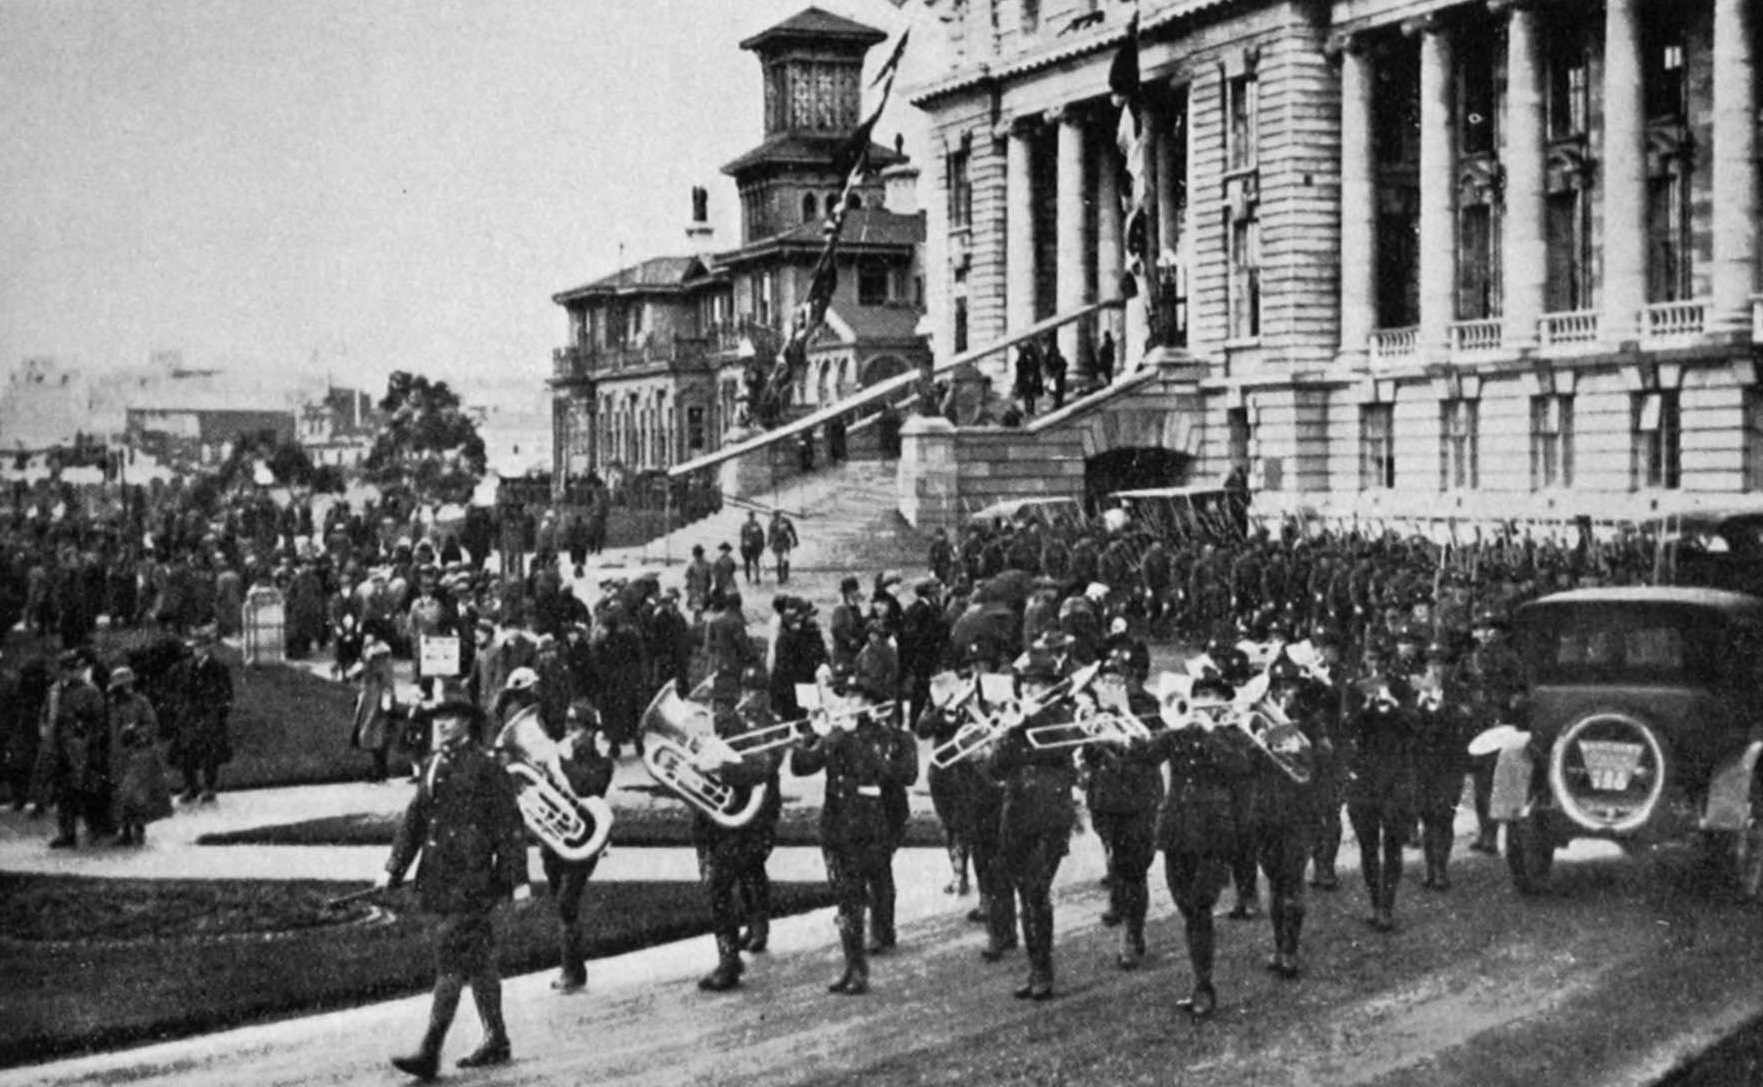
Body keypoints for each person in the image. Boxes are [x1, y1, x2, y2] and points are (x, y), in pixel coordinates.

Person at [378, 687, 530, 1080]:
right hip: (441, 879)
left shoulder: (485, 766)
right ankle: (497, 1038)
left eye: (450, 717)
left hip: (475, 880)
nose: (441, 724)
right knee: (478, 961)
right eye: (438, 718)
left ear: (467, 722)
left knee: (450, 957)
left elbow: (509, 825)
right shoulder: (432, 763)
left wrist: (518, 880)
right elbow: (415, 819)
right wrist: (394, 867)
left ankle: (429, 1050)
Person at [1140, 671, 1258, 1018]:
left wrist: (1211, 732)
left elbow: (1239, 767)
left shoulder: (1235, 733)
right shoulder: (1178, 731)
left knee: (1201, 907)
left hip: (1214, 833)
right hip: (1176, 830)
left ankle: (1203, 985)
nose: (1202, 701)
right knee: (1188, 909)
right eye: (1199, 694)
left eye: (1210, 695)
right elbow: (1145, 757)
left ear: (1222, 701)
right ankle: (1199, 981)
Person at [790, 681, 919, 995]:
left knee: (858, 893)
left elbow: (872, 767)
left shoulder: (880, 735)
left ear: (870, 703)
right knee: (844, 898)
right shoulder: (836, 732)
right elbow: (801, 766)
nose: (847, 702)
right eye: (846, 696)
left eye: (855, 697)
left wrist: (841, 734)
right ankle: (852, 965)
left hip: (865, 823)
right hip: (835, 822)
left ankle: (861, 967)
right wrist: (813, 735)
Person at [690, 667, 785, 991]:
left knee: (721, 888)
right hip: (715, 821)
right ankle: (730, 956)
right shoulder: (710, 730)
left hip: (740, 822)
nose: (707, 713)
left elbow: (761, 767)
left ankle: (730, 961)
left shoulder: (736, 728)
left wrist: (721, 768)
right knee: (718, 889)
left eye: (712, 705)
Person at [989, 658, 1078, 1000]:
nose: (1029, 690)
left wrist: (1031, 717)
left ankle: (1044, 970)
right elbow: (995, 769)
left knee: (1038, 890)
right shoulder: (1015, 720)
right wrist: (1009, 730)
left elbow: (1065, 746)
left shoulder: (1060, 717)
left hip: (1050, 815)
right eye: (1026, 685)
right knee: (1025, 893)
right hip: (1018, 814)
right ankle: (1035, 966)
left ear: (1050, 688)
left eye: (1036, 685)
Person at [1082, 655, 1164, 970]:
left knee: (1134, 868)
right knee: (1115, 859)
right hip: (1105, 796)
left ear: (1132, 679)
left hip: (1138, 798)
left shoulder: (1150, 704)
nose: (1111, 686)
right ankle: (1121, 906)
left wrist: (1126, 719)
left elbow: (1156, 750)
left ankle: (1132, 932)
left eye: (1118, 679)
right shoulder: (1095, 708)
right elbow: (1088, 754)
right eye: (1106, 680)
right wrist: (1093, 735)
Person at [536, 701, 614, 993]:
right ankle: (575, 967)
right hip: (556, 842)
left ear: (592, 732)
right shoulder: (558, 755)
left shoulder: (602, 761)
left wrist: (561, 765)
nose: (572, 734)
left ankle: (571, 970)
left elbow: (587, 787)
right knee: (562, 904)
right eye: (569, 728)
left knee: (567, 902)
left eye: (578, 728)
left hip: (585, 841)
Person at [39, 650, 107, 848]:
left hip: (83, 749)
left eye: (77, 669)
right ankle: (67, 833)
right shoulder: (54, 691)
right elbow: (44, 715)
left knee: (87, 791)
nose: (75, 673)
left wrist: (88, 739)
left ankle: (94, 829)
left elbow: (100, 721)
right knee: (63, 792)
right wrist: (46, 734)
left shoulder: (90, 690)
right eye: (71, 669)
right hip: (58, 747)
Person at [167, 627, 233, 803]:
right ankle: (191, 786)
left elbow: (226, 694)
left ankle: (209, 787)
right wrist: (180, 709)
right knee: (186, 752)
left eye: (199, 646)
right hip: (189, 716)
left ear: (207, 647)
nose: (196, 649)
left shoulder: (218, 668)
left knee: (210, 754)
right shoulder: (186, 667)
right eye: (194, 646)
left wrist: (218, 713)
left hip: (209, 717)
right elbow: (179, 690)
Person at [107, 666, 171, 846]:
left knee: (135, 794)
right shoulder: (111, 705)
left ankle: (139, 828)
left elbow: (152, 726)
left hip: (139, 754)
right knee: (121, 796)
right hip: (118, 756)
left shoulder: (141, 702)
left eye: (127, 685)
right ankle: (125, 830)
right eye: (121, 686)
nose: (125, 689)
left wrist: (136, 732)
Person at [350, 639, 398, 783]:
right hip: (370, 697)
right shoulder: (370, 655)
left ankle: (380, 772)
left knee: (376, 734)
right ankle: (379, 771)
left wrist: (386, 698)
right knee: (373, 735)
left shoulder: (380, 656)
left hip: (376, 698)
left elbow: (386, 679)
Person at [768, 510, 798, 585]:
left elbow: (792, 531)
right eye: (774, 514)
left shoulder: (786, 521)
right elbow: (770, 533)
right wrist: (769, 542)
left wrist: (795, 540)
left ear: (780, 513)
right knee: (778, 560)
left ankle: (785, 575)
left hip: (785, 543)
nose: (776, 515)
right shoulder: (772, 522)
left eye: (777, 513)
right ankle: (779, 578)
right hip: (777, 544)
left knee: (785, 560)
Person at [739, 513, 766, 585]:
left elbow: (761, 535)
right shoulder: (744, 525)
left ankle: (757, 578)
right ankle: (748, 577)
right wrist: (742, 546)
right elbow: (742, 537)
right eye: (750, 516)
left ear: (754, 517)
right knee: (747, 563)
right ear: (748, 517)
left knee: (756, 562)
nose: (751, 517)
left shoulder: (757, 525)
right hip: (746, 547)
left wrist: (762, 545)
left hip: (755, 547)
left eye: (752, 516)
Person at [1042, 337, 1068, 411]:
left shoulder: (1053, 354)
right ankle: (1057, 403)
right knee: (1056, 389)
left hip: (1058, 374)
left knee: (1058, 389)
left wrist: (1057, 373)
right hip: (1056, 374)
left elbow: (1062, 364)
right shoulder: (1049, 355)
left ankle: (1058, 403)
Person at [710, 542, 739, 607]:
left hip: (727, 580)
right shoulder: (719, 560)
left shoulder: (730, 560)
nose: (724, 551)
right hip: (722, 580)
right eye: (723, 550)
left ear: (728, 551)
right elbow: (714, 570)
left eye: (726, 550)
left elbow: (733, 570)